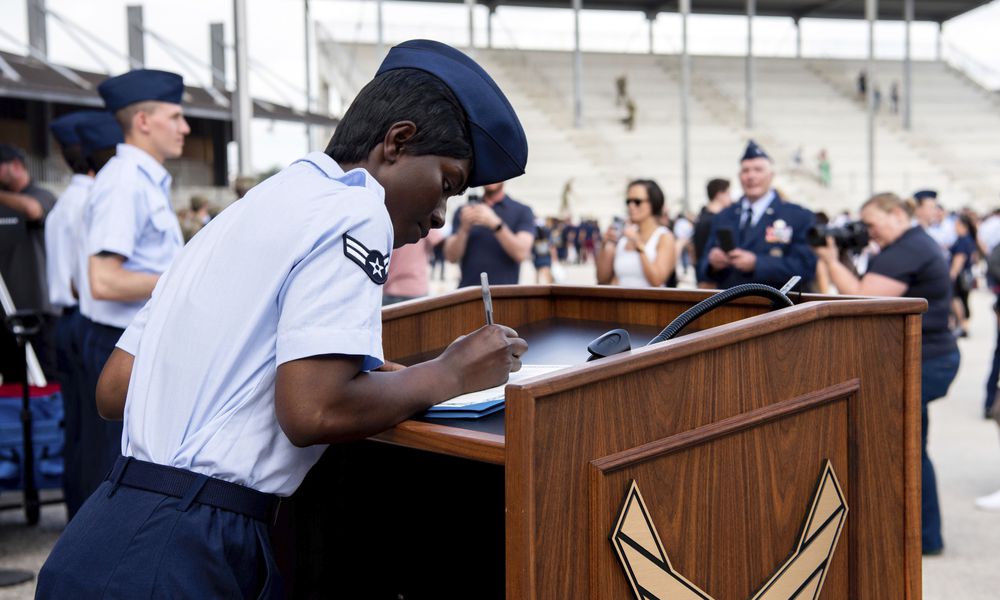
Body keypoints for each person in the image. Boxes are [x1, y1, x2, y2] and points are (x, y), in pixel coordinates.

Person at [39, 39, 530, 597]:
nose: (440, 216)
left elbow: (115, 387)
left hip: (104, 528)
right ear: (397, 142)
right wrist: (451, 373)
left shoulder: (244, 211)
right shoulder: (357, 208)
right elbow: (312, 408)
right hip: (189, 547)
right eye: (445, 184)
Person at [813, 192, 958, 555]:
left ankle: (923, 535)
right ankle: (921, 532)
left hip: (926, 358)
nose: (868, 232)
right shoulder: (911, 245)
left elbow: (862, 298)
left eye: (872, 224)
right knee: (911, 445)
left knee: (907, 446)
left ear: (896, 214)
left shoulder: (908, 248)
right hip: (926, 355)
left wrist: (831, 261)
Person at [75, 68, 189, 502]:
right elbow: (104, 279)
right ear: (143, 121)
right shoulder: (125, 182)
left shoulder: (142, 180)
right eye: (175, 117)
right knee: (116, 472)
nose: (185, 127)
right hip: (117, 345)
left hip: (131, 341)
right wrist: (184, 281)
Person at [44, 111, 123, 519]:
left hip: (63, 320)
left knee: (77, 430)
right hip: (88, 317)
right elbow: (88, 279)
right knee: (102, 435)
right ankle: (97, 521)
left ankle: (78, 514)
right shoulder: (97, 200)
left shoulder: (62, 205)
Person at [698, 141, 816, 290]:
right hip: (731, 307)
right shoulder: (723, 216)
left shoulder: (798, 216)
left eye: (758, 169)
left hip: (778, 309)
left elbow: (806, 267)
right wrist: (711, 264)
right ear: (739, 176)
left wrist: (758, 263)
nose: (751, 176)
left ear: (771, 175)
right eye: (746, 170)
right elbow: (701, 268)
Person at [0, 143, 58, 381]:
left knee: (46, 377)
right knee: (14, 378)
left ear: (15, 166)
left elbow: (33, 211)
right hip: (6, 309)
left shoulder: (41, 195)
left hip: (39, 309)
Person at [444, 181, 535, 287]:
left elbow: (521, 253)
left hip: (504, 294)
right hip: (468, 293)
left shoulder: (522, 211)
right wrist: (463, 229)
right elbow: (451, 257)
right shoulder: (463, 211)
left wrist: (496, 225)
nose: (493, 177)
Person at [597, 179, 676, 288]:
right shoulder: (624, 238)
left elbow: (657, 280)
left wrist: (638, 244)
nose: (631, 206)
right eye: (628, 202)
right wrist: (604, 245)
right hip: (623, 303)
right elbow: (602, 280)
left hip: (652, 304)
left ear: (653, 203)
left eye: (637, 202)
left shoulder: (664, 236)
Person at [383, 229, 444, 305]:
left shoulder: (390, 221)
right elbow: (439, 241)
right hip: (416, 288)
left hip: (391, 288)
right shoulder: (422, 218)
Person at [692, 178, 732, 287]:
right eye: (728, 193)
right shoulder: (713, 220)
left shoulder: (702, 216)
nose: (731, 198)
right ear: (720, 194)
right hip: (709, 279)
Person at [948, 215, 977, 337]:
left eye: (957, 226)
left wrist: (952, 275)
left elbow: (959, 258)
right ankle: (963, 326)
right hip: (966, 275)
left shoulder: (962, 240)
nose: (955, 228)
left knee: (956, 300)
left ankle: (961, 325)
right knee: (963, 300)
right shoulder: (968, 239)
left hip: (960, 276)